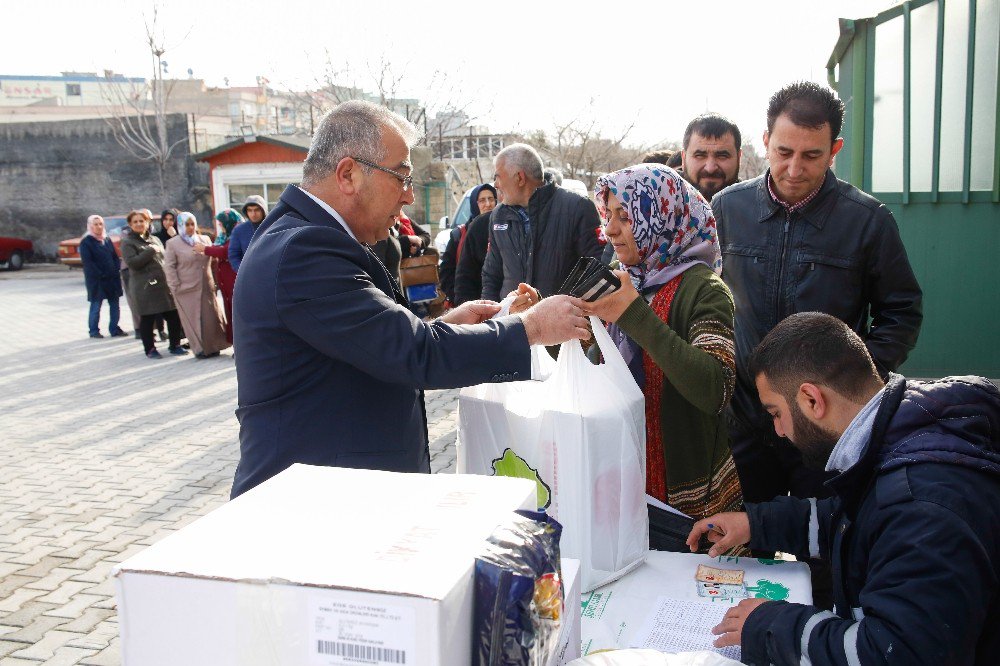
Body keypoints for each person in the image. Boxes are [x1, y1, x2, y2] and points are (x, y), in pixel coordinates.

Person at [229, 100, 590, 499]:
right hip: (314, 506)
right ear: (348, 174)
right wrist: (532, 327)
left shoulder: (308, 237)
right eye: (401, 178)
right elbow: (411, 352)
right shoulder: (304, 249)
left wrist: (444, 327)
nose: (409, 197)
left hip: (335, 492)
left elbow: (371, 343)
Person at [686, 312, 1000, 666]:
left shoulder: (920, 505)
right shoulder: (899, 430)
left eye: (775, 413)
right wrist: (756, 524)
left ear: (811, 400)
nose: (778, 431)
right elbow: (854, 522)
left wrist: (772, 625)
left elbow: (892, 653)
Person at [712, 81, 923, 504]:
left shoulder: (868, 221)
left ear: (835, 149)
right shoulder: (725, 210)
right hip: (745, 423)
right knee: (741, 550)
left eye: (811, 156)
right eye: (784, 152)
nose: (794, 169)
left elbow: (901, 313)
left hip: (830, 430)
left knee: (827, 551)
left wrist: (850, 381)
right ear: (766, 140)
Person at [583, 164, 742, 550]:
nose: (612, 230)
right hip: (622, 482)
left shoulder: (704, 289)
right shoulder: (620, 278)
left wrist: (635, 316)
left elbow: (714, 388)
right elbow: (594, 367)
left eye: (627, 216)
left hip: (689, 501)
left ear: (663, 218)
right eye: (610, 215)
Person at [480, 143, 602, 301]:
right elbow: (491, 276)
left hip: (561, 322)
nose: (495, 185)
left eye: (497, 177)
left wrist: (569, 312)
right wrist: (491, 316)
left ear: (520, 178)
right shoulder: (498, 216)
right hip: (510, 323)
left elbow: (597, 273)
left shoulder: (577, 208)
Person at [119, 210, 186, 359]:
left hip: (162, 285)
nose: (138, 224)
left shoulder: (155, 239)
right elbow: (133, 263)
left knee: (173, 316)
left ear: (148, 223)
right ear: (130, 225)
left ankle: (175, 345)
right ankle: (150, 349)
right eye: (135, 222)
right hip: (144, 287)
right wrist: (149, 251)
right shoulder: (128, 242)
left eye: (141, 221)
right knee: (148, 319)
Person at [163, 212, 230, 359]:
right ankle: (200, 349)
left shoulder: (204, 239)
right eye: (186, 224)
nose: (190, 227)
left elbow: (213, 261)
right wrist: (175, 286)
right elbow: (169, 267)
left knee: (211, 318)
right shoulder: (173, 243)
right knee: (193, 320)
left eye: (192, 224)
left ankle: (214, 346)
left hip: (206, 286)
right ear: (180, 225)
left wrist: (216, 281)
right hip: (185, 289)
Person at [441, 183, 497, 305]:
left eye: (491, 199)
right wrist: (458, 299)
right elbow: (446, 272)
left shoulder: (502, 230)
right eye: (482, 200)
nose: (488, 204)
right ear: (474, 203)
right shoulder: (459, 234)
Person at [79, 215, 127, 339]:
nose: (99, 227)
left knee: (115, 305)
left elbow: (115, 257)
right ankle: (94, 331)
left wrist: (116, 269)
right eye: (95, 224)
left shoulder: (106, 239)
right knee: (96, 305)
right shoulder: (86, 242)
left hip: (112, 278)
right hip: (97, 280)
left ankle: (114, 328)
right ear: (90, 226)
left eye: (101, 224)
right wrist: (101, 274)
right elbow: (88, 263)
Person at [197, 209, 241, 345]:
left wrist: (205, 249)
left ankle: (240, 344)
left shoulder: (237, 234)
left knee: (237, 313)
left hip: (234, 279)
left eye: (222, 224)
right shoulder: (225, 236)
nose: (221, 227)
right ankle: (235, 343)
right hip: (226, 282)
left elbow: (225, 251)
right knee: (229, 311)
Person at [680, 113, 742, 199]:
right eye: (700, 155)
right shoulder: (660, 209)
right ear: (683, 158)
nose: (710, 169)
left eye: (722, 156)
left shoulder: (760, 210)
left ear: (739, 158)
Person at [228, 195, 268, 273]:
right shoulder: (239, 230)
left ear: (263, 211)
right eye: (250, 210)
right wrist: (243, 271)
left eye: (257, 210)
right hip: (248, 276)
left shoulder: (274, 227)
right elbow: (233, 255)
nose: (253, 214)